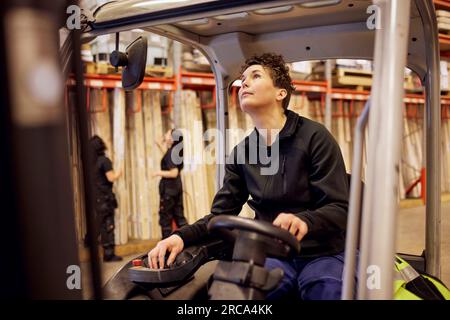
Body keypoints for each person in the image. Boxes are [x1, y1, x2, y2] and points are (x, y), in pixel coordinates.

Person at [148, 53, 350, 300]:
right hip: (274, 253)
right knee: (234, 293)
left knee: (326, 288)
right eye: (242, 79)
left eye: (255, 76)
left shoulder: (315, 137)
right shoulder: (242, 152)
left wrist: (305, 221)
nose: (243, 83)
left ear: (280, 93)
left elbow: (341, 208)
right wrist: (180, 236)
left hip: (323, 252)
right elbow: (221, 215)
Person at [89, 135, 123, 262]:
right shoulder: (104, 160)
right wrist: (119, 173)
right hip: (105, 197)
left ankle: (99, 247)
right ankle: (109, 254)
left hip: (96, 197)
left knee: (102, 225)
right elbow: (110, 178)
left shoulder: (91, 163)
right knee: (108, 225)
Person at [153, 129, 188, 239]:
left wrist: (157, 173)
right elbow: (165, 152)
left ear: (172, 138)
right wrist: (162, 141)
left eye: (167, 133)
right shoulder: (175, 151)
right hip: (176, 187)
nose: (165, 134)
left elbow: (174, 173)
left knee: (166, 219)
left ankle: (166, 247)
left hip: (169, 190)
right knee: (179, 217)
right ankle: (189, 240)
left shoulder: (171, 153)